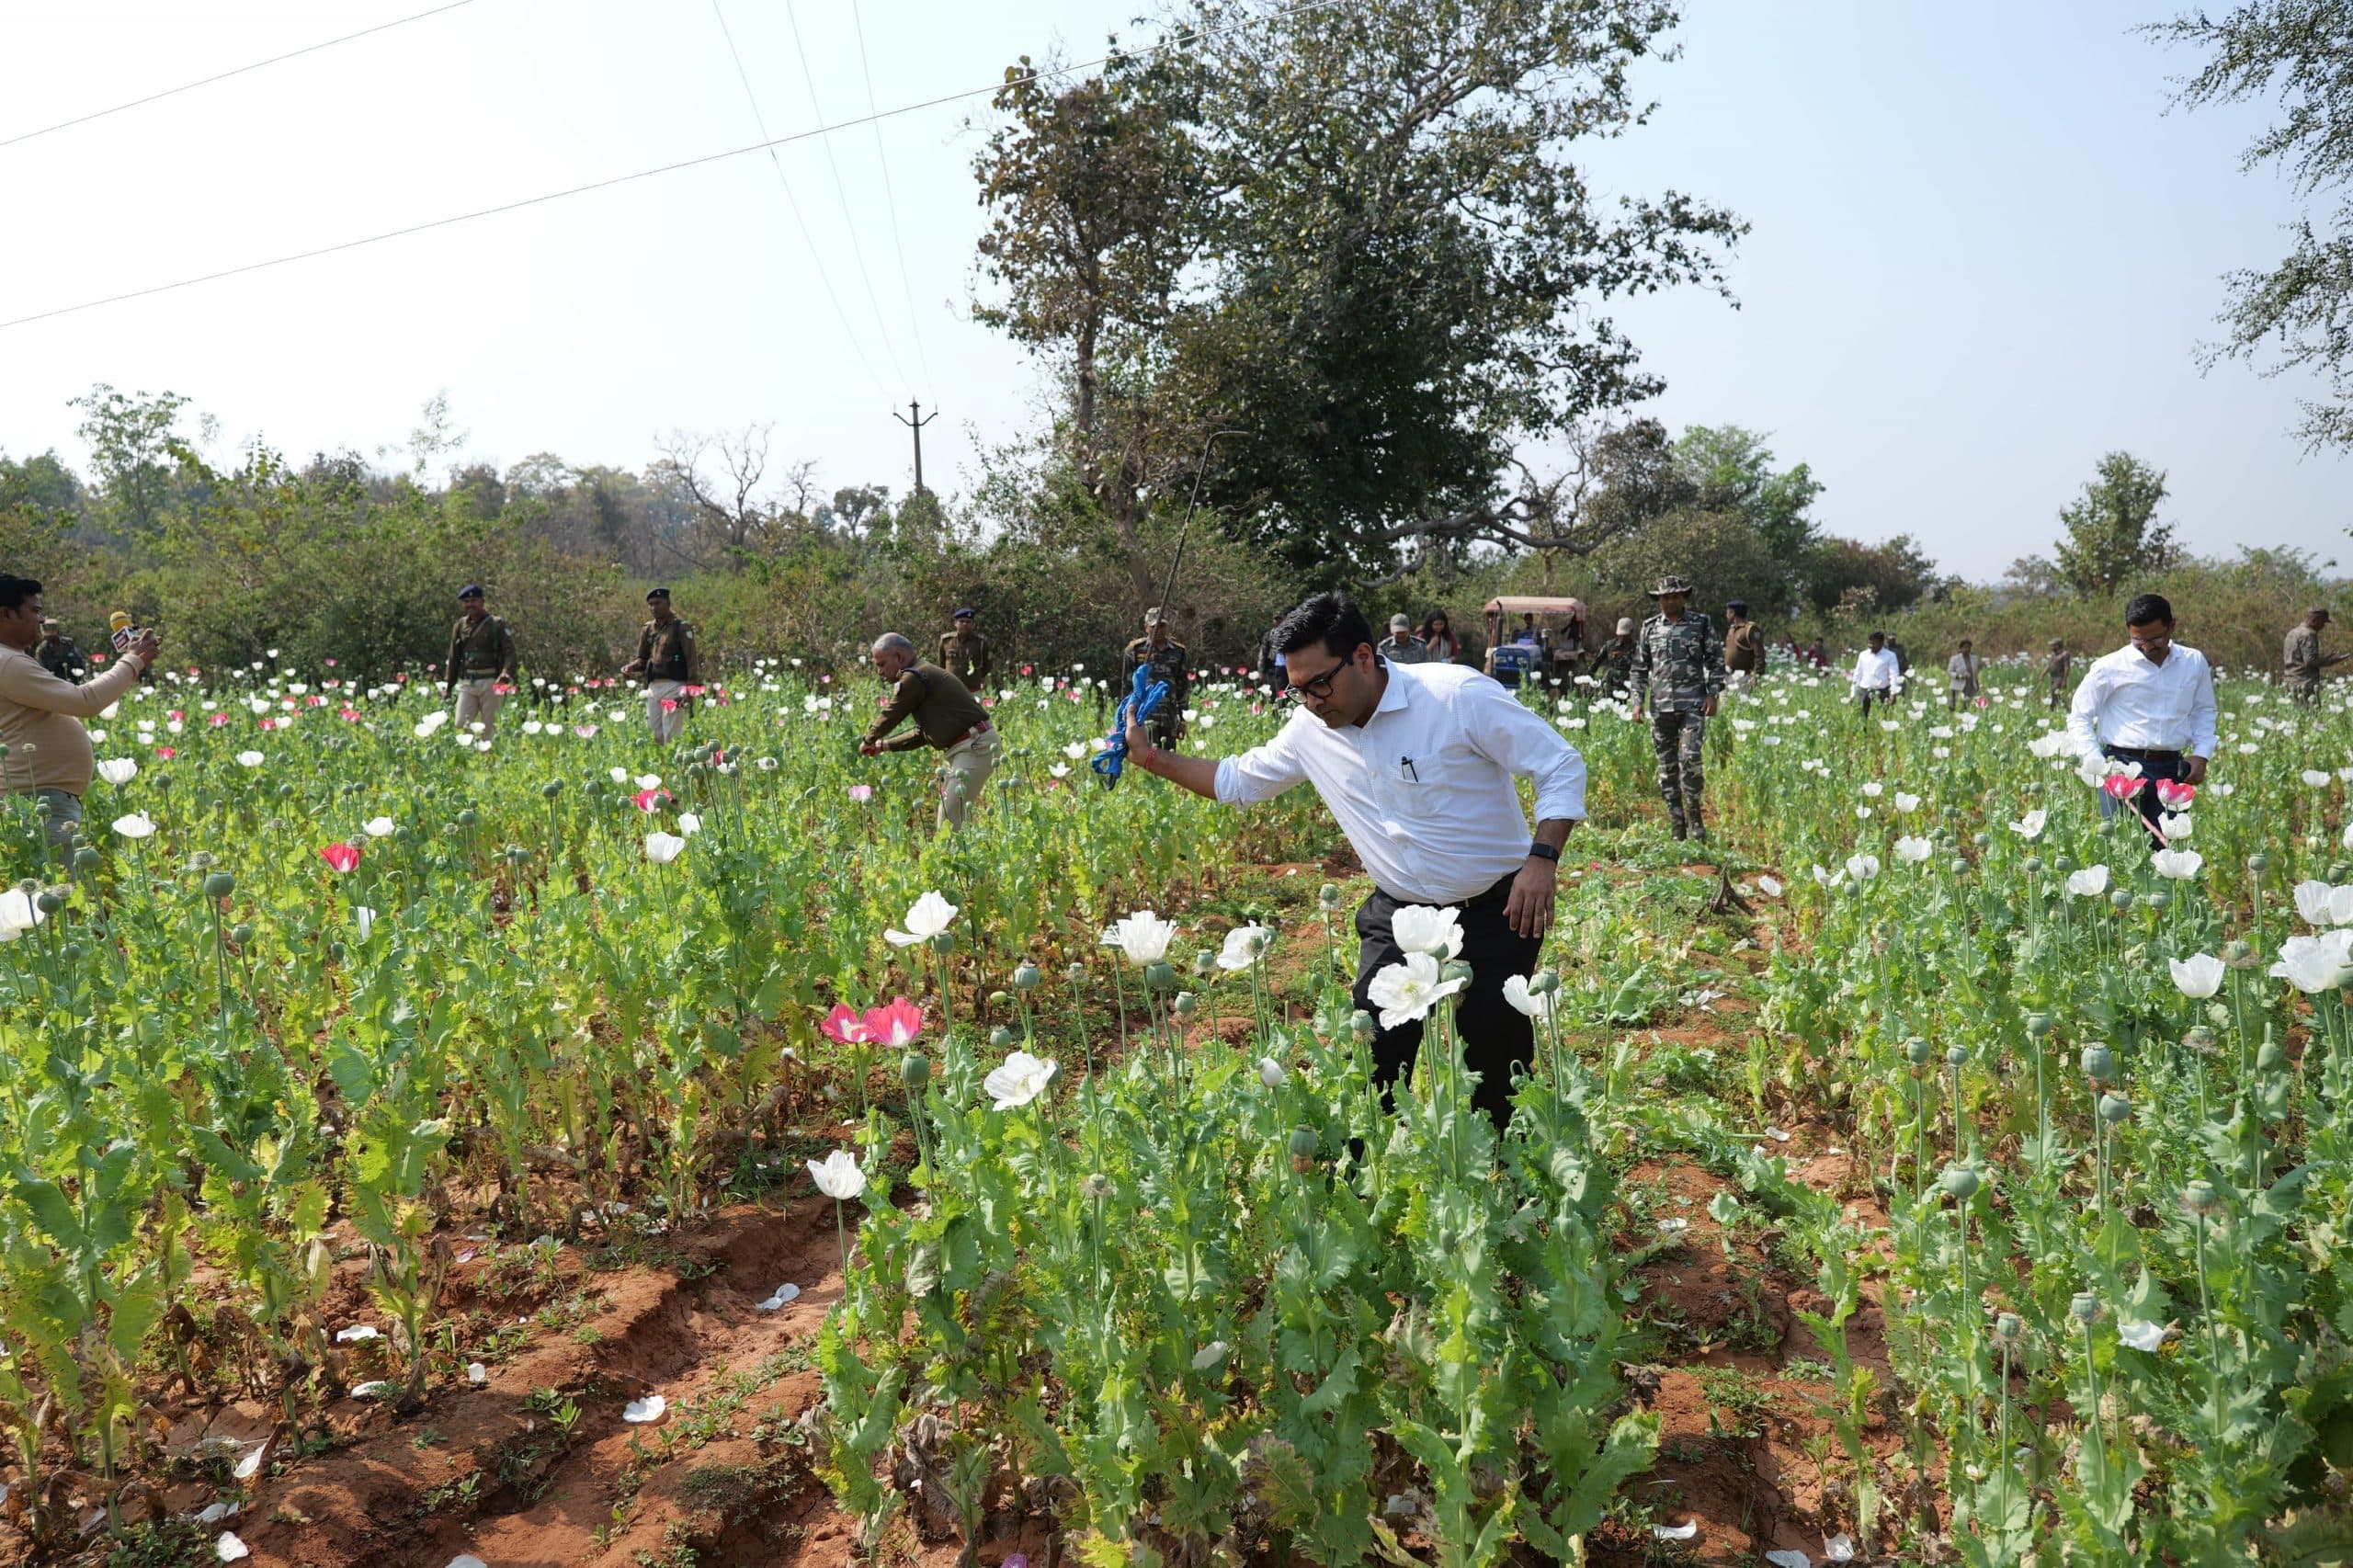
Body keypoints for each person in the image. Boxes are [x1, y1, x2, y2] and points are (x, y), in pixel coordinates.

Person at [1121, 591, 1585, 1131]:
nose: (1313, 703)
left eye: (1322, 683)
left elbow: (1560, 764)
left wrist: (1543, 859)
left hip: (1496, 913)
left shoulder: (1454, 698)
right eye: (1298, 691)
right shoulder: (1309, 729)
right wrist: (1147, 756)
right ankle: (1366, 1185)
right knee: (1372, 1062)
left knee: (1492, 1062)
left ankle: (1503, 1186)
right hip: (1399, 917)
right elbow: (1236, 781)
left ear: (1364, 656)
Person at [0, 575, 160, 869]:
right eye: (35, 611)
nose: (41, 620)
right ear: (6, 613)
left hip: (37, 799)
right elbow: (85, 702)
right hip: (37, 803)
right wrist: (133, 661)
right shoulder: (8, 663)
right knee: (53, 906)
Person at [2068, 593, 2218, 843]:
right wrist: (2098, 764)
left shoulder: (2193, 662)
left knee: (2169, 850)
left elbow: (2204, 711)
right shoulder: (2109, 667)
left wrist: (2201, 754)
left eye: (2156, 638)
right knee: (2122, 851)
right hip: (2121, 769)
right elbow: (2079, 717)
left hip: (2171, 770)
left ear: (2172, 626)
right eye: (2138, 640)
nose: (2147, 646)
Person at [859, 632, 1000, 830]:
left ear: (899, 657)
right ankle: (963, 859)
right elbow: (923, 733)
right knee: (953, 821)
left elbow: (892, 713)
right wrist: (884, 746)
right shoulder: (922, 674)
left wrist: (869, 739)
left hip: (975, 747)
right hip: (967, 748)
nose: (879, 671)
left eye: (882, 664)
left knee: (949, 824)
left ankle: (957, 860)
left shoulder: (914, 677)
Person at [1629, 574, 1726, 843]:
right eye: (1665, 598)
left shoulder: (1701, 624)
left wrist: (1713, 693)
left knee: (1691, 759)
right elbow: (1639, 668)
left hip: (1693, 705)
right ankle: (1677, 824)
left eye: (1675, 596)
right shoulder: (1649, 628)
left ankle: (1695, 819)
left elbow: (1716, 661)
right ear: (1658, 600)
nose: (1670, 602)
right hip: (1661, 709)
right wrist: (1637, 701)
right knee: (1667, 768)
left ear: (1683, 597)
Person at [620, 587, 698, 744]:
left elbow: (691, 660)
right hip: (654, 687)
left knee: (671, 733)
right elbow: (642, 659)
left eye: (658, 603)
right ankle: (661, 767)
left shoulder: (681, 627)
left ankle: (674, 766)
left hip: (675, 685)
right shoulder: (648, 629)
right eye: (651, 604)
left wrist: (690, 689)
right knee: (654, 732)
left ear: (668, 604)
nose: (654, 607)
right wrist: (630, 668)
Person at [443, 585, 517, 733]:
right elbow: (454, 658)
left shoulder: (497, 624)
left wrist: (506, 673)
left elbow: (510, 653)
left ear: (482, 601)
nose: (470, 604)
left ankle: (487, 755)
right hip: (468, 681)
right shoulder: (460, 625)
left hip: (494, 681)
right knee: (461, 722)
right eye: (466, 601)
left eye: (474, 600)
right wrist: (449, 686)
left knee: (491, 727)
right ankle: (473, 751)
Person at [1120, 608, 1189, 752]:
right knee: (1144, 759)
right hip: (1143, 717)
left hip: (1168, 718)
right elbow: (1127, 687)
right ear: (1146, 627)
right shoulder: (1134, 650)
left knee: (1168, 760)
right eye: (1154, 626)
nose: (1158, 629)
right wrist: (1126, 719)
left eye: (1162, 625)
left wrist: (1183, 719)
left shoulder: (1178, 652)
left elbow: (1183, 688)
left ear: (1167, 627)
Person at [2283, 608, 2345, 702]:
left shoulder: (2293, 632)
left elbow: (2298, 658)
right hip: (2304, 684)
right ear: (2314, 620)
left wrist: (2325, 658)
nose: (2323, 626)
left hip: (2289, 681)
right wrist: (2331, 661)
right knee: (2312, 714)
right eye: (2322, 622)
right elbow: (2310, 661)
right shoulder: (2308, 634)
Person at [938, 607, 994, 694]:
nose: (965, 624)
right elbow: (941, 664)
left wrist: (976, 677)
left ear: (973, 625)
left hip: (973, 690)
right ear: (955, 623)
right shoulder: (946, 641)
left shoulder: (980, 642)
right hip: (951, 688)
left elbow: (988, 665)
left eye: (968, 622)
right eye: (961, 621)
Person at [1850, 631, 1901, 716]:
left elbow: (1894, 675)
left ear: (1881, 643)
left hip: (1882, 691)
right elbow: (1857, 675)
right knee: (1862, 716)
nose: (1871, 646)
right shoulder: (1863, 655)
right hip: (1864, 690)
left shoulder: (1890, 656)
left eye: (1874, 643)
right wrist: (1853, 693)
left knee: (1883, 716)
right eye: (1869, 643)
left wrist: (1893, 693)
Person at [1722, 600, 1764, 693]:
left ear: (1733, 613)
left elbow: (1759, 654)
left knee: (1739, 705)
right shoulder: (1732, 629)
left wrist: (1757, 676)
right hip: (1728, 675)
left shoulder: (1750, 629)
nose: (1726, 614)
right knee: (1725, 705)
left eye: (1728, 612)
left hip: (1743, 677)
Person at [32, 619, 87, 686]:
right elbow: (42, 670)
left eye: (52, 636)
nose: (50, 638)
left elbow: (79, 660)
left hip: (73, 680)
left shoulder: (68, 643)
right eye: (48, 636)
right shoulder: (42, 650)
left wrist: (82, 673)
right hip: (54, 683)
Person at [1595, 618, 1638, 694]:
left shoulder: (1638, 647)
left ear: (1631, 632)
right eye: (1620, 635)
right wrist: (1589, 677)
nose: (1622, 638)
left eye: (1625, 635)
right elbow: (1597, 662)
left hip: (1628, 685)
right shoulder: (1610, 645)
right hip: (1609, 685)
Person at [1946, 639, 1981, 712]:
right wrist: (1959, 676)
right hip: (1958, 686)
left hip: (1971, 685)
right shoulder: (1955, 659)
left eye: (1969, 648)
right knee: (1956, 705)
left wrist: (1977, 685)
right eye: (1965, 647)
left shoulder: (1974, 658)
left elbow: (1975, 673)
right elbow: (1949, 671)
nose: (1967, 649)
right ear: (1961, 649)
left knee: (1970, 705)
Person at [1256, 616, 1287, 689]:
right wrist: (1261, 672)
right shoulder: (1268, 635)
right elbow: (1263, 654)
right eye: (1276, 619)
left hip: (1286, 668)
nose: (1278, 621)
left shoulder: (1288, 633)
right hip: (1272, 668)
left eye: (1280, 619)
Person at [2044, 638, 2071, 710]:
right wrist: (2043, 674)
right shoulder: (2053, 654)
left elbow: (2067, 668)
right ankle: (2066, 708)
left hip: (2060, 677)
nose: (2051, 647)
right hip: (2053, 677)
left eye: (2053, 645)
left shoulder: (2065, 654)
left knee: (2054, 691)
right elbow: (2049, 665)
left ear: (2057, 645)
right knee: (2056, 694)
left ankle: (2053, 707)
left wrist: (2064, 680)